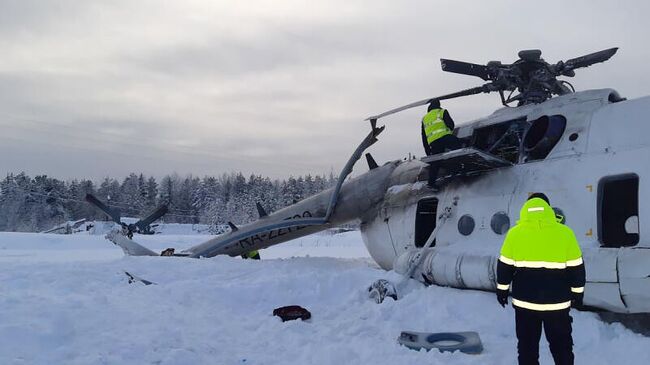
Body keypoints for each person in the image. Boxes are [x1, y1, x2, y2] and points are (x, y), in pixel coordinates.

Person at [496, 193, 585, 365]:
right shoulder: (565, 233)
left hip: (525, 305)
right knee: (562, 348)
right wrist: (578, 294)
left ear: (526, 208)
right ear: (548, 209)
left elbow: (504, 266)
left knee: (527, 348)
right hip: (557, 305)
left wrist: (502, 290)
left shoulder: (514, 234)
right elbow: (577, 268)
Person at [421, 100, 461, 189]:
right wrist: (448, 132)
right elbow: (451, 124)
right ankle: (457, 168)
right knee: (458, 145)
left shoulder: (424, 118)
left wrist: (428, 151)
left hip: (433, 142)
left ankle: (431, 183)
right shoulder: (442, 112)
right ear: (438, 105)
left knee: (435, 162)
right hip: (444, 137)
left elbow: (424, 137)